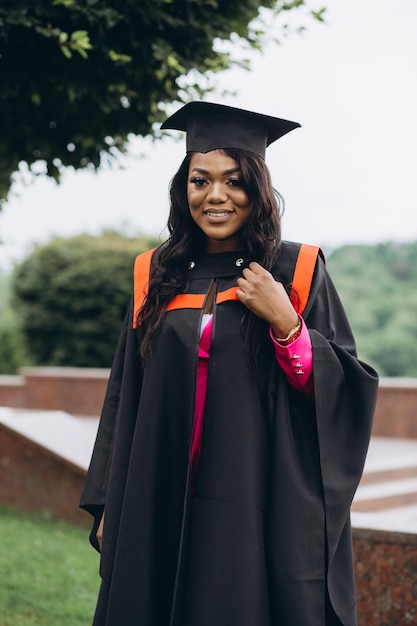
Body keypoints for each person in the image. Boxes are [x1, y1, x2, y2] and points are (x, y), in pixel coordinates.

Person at [80, 101, 379, 626]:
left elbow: (346, 391)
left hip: (255, 490)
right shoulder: (155, 272)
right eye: (201, 181)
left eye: (234, 181)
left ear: (257, 189)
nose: (215, 196)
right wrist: (108, 499)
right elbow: (125, 389)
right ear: (184, 189)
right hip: (158, 485)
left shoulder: (297, 268)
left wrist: (287, 323)